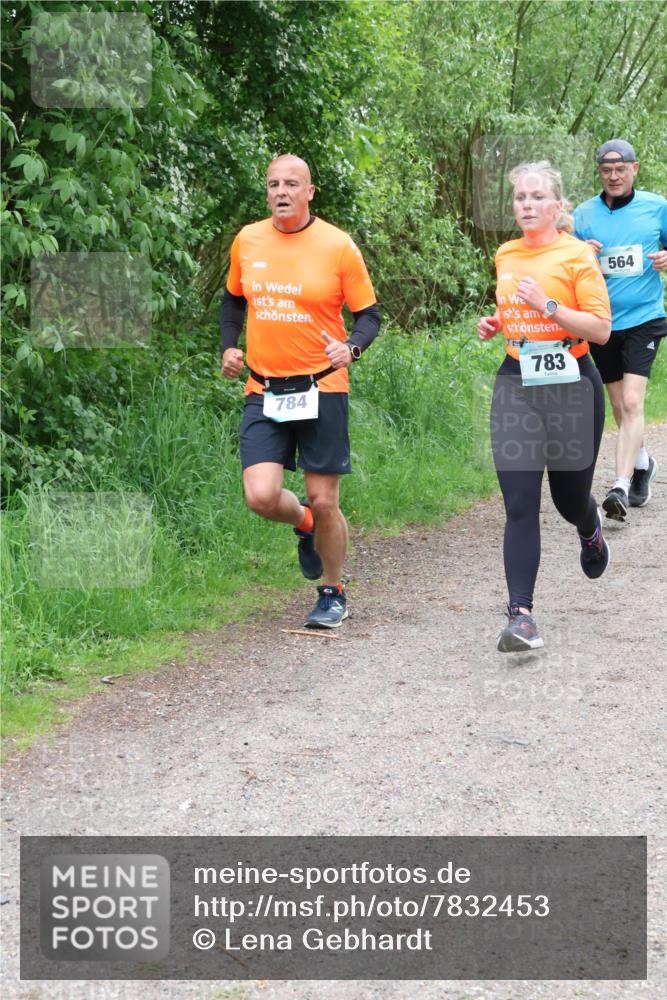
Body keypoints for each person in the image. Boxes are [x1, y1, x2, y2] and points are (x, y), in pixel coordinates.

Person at [220, 154, 380, 628]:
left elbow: (369, 315)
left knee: (326, 497)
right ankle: (304, 524)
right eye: (273, 184)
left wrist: (351, 349)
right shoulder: (248, 240)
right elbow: (233, 298)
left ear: (310, 191)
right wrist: (229, 347)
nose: (281, 192)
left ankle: (332, 590)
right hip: (264, 388)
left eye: (292, 184)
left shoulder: (337, 245)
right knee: (261, 496)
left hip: (322, 385)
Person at [478, 161, 612, 652]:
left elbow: (600, 329)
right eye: (520, 198)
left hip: (572, 383)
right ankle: (522, 616)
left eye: (537, 197)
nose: (527, 205)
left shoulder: (577, 255)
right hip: (517, 379)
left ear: (558, 206)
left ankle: (589, 527)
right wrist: (499, 322)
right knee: (518, 504)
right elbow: (515, 307)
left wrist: (548, 308)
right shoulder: (506, 253)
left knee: (568, 499)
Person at [573, 139, 667, 520]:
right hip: (601, 322)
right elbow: (566, 265)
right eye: (606, 170)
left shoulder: (657, 207)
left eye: (620, 169)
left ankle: (620, 486)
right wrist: (583, 254)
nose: (614, 176)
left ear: (634, 169)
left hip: (645, 317)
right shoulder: (583, 215)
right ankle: (643, 462)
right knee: (618, 405)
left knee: (631, 402)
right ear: (599, 172)